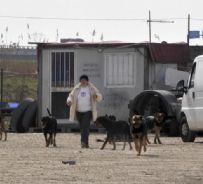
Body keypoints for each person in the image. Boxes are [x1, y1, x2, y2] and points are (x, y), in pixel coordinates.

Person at [66, 74, 102, 148]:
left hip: (88, 111)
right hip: (79, 112)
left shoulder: (91, 88)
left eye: (84, 80)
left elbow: (99, 96)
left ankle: (83, 142)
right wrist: (69, 101)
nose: (83, 82)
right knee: (82, 127)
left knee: (85, 127)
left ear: (87, 81)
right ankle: (85, 142)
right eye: (82, 80)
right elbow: (70, 96)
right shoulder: (76, 88)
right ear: (80, 81)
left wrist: (96, 96)